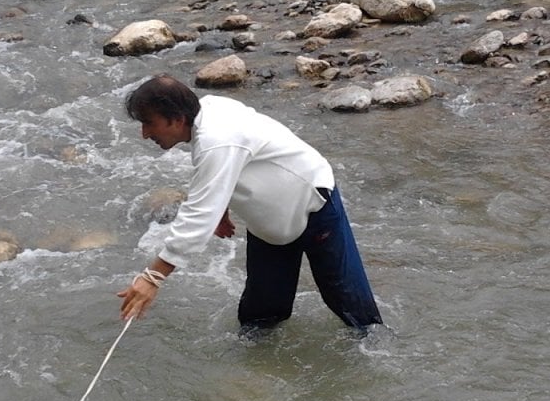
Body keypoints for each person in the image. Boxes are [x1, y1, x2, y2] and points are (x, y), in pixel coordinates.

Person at [115, 74, 384, 336]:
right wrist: (221, 207)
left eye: (149, 123)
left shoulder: (215, 140)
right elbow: (228, 166)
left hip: (312, 206)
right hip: (269, 220)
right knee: (259, 317)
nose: (144, 133)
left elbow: (197, 219)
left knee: (353, 309)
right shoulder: (209, 110)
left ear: (177, 119)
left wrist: (153, 278)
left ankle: (378, 358)